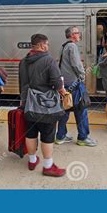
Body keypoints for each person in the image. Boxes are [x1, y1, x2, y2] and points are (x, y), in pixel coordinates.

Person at [19, 34, 67, 177]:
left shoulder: (23, 61)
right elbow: (58, 83)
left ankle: (32, 161)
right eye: (47, 44)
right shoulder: (48, 60)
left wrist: (23, 101)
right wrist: (64, 93)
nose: (48, 47)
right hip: (46, 105)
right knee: (47, 134)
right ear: (41, 45)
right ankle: (48, 166)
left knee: (31, 132)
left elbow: (21, 83)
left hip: (28, 103)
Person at [56, 26, 97, 147]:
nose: (79, 35)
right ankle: (83, 137)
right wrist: (82, 75)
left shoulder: (63, 46)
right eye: (78, 33)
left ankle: (60, 136)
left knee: (65, 109)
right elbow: (76, 64)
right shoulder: (73, 46)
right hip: (74, 83)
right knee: (81, 109)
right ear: (72, 35)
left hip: (66, 84)